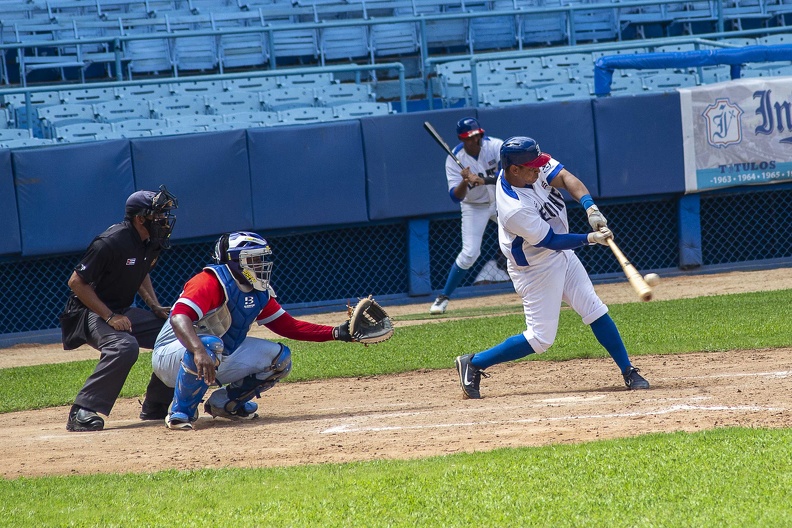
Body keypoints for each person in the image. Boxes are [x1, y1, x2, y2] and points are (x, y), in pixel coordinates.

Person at [454, 136, 650, 399]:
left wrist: (590, 208)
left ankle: (628, 370)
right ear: (514, 170)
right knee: (541, 339)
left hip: (562, 253)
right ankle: (475, 362)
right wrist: (590, 239)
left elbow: (568, 179)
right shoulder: (514, 207)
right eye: (532, 167)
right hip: (535, 267)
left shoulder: (530, 165)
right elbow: (550, 241)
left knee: (594, 308)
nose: (539, 169)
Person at [151, 231, 363, 430]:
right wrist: (197, 350)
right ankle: (181, 412)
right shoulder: (209, 282)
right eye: (253, 260)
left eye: (262, 259)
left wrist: (338, 333)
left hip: (214, 353)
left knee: (279, 359)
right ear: (234, 262)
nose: (261, 265)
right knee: (208, 345)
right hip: (172, 355)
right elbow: (179, 318)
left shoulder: (258, 291)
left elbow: (288, 326)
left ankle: (226, 404)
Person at [61, 185, 179, 432]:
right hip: (88, 312)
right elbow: (76, 283)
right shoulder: (111, 241)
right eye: (157, 215)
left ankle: (156, 405)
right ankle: (81, 411)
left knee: (176, 331)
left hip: (120, 310)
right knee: (125, 346)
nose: (163, 221)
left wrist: (154, 305)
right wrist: (110, 315)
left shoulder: (151, 241)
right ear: (139, 218)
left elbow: (141, 272)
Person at [430, 117, 504, 315]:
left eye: (476, 136)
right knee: (470, 253)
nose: (475, 140)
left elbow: (511, 175)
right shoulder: (454, 159)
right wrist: (464, 181)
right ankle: (443, 297)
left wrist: (482, 179)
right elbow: (455, 197)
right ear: (462, 139)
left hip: (500, 202)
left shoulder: (495, 146)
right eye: (469, 138)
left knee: (528, 236)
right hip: (474, 206)